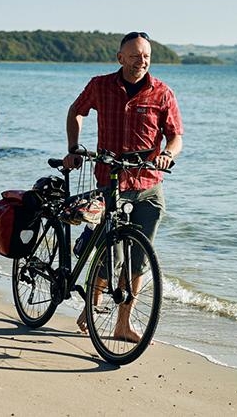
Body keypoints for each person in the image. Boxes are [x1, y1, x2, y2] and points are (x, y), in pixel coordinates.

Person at [63, 30, 183, 342]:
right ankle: (93, 303)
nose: (141, 62)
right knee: (110, 254)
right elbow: (76, 111)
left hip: (148, 186)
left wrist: (168, 154)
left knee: (139, 258)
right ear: (120, 58)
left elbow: (175, 135)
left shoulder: (163, 93)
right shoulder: (100, 85)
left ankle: (123, 324)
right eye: (134, 56)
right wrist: (74, 147)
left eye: (146, 56)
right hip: (111, 181)